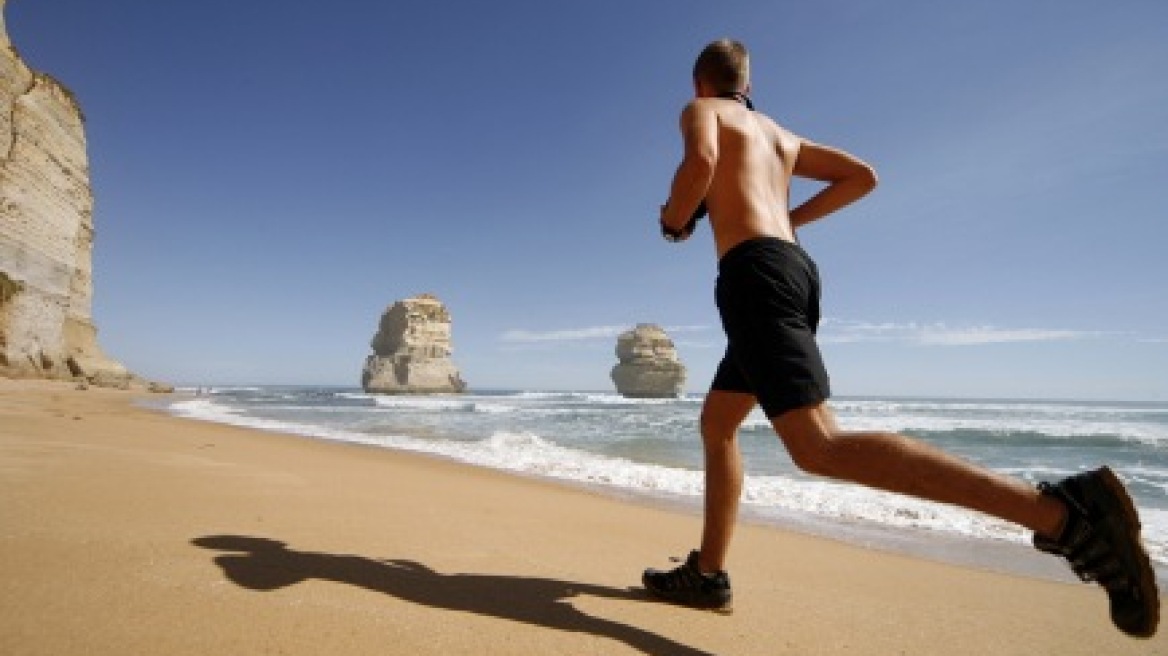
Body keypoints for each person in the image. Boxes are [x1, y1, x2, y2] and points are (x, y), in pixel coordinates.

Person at [643, 38, 1159, 639]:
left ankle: (1066, 516)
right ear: (748, 86)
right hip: (794, 272)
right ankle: (708, 575)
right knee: (719, 422)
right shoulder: (780, 137)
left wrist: (674, 221)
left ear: (701, 84)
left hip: (754, 276)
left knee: (817, 445)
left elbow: (700, 165)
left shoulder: (702, 111)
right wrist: (788, 220)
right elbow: (862, 176)